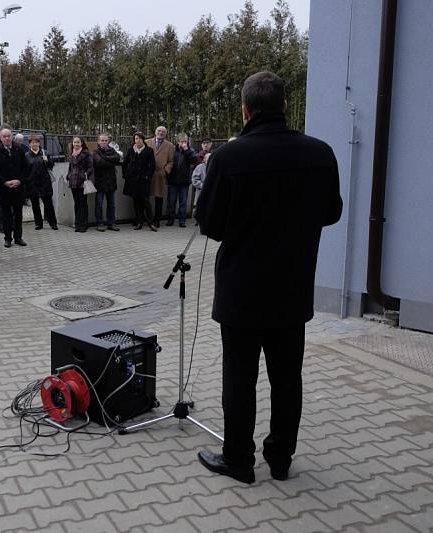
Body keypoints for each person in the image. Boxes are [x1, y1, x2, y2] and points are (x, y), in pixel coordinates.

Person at [195, 71, 342, 484]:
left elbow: (209, 223)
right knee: (286, 378)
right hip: (292, 289)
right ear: (283, 106)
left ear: (245, 110)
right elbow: (331, 212)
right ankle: (280, 460)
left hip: (242, 292)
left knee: (239, 379)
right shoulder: (321, 153)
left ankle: (239, 461)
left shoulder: (228, 157)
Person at [0, 127, 27, 248]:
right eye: (4, 136)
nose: (7, 138)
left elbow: (25, 168)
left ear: (12, 137)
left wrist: (19, 180)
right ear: (0, 138)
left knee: (18, 214)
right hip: (4, 189)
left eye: (8, 136)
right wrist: (4, 182)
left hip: (18, 188)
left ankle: (18, 237)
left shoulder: (20, 149)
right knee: (6, 215)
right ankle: (7, 238)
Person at [123, 132, 157, 231]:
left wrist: (147, 176)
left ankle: (150, 222)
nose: (137, 140)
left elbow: (152, 165)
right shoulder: (130, 150)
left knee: (146, 201)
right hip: (133, 180)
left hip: (144, 180)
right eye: (136, 139)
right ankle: (139, 222)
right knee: (136, 202)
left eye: (139, 138)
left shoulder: (149, 150)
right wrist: (126, 175)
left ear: (143, 140)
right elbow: (125, 164)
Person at [24, 134, 57, 231]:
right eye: (32, 142)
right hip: (32, 183)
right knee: (35, 205)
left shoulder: (44, 153)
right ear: (29, 144)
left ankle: (53, 223)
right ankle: (38, 223)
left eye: (36, 142)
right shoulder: (26, 155)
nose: (34, 144)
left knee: (48, 204)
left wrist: (47, 160)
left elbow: (51, 166)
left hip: (45, 182)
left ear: (39, 143)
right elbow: (25, 170)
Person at [145, 126, 175, 227]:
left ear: (166, 134)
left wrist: (165, 171)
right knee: (145, 197)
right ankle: (146, 219)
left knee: (159, 198)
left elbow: (171, 161)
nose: (160, 133)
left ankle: (157, 220)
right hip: (147, 174)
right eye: (159, 131)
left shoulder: (170, 145)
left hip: (160, 175)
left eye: (163, 132)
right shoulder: (147, 142)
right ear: (155, 131)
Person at [92, 133, 122, 231]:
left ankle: (111, 223)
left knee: (111, 205)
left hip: (111, 182)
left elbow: (117, 158)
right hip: (100, 183)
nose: (104, 142)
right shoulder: (95, 152)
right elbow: (99, 162)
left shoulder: (112, 150)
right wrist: (111, 161)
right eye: (102, 140)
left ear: (108, 141)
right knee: (99, 205)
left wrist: (105, 158)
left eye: (106, 140)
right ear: (98, 141)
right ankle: (100, 223)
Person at [165, 133, 196, 227]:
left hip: (184, 181)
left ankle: (182, 221)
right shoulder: (173, 150)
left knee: (183, 202)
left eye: (185, 141)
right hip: (173, 181)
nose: (184, 143)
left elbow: (194, 160)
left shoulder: (190, 150)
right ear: (178, 142)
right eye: (182, 141)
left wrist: (186, 150)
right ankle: (170, 219)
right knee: (171, 201)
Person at [65, 136, 94, 232]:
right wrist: (68, 175)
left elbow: (91, 167)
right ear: (72, 143)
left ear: (81, 143)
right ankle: (77, 224)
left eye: (78, 142)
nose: (76, 144)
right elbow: (70, 167)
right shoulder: (72, 154)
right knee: (76, 204)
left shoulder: (86, 153)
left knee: (83, 204)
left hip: (82, 182)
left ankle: (84, 225)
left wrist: (85, 174)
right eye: (74, 142)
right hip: (73, 181)